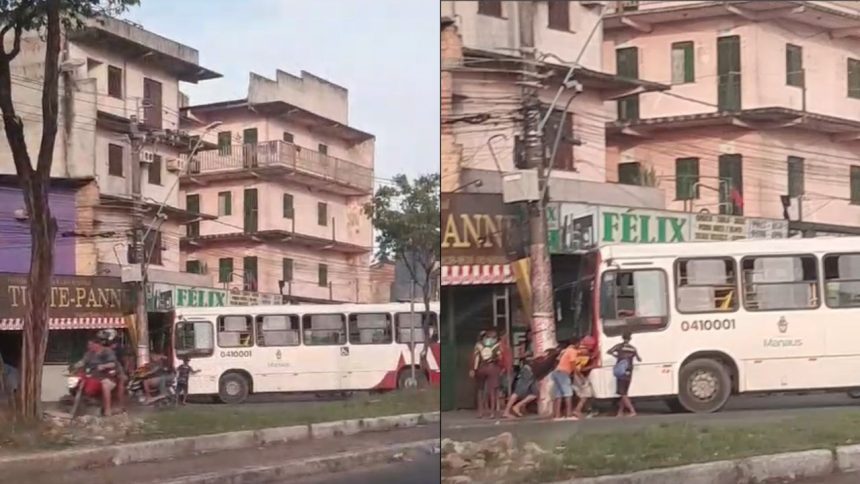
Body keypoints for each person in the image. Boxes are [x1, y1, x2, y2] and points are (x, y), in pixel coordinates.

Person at [72, 338, 119, 416]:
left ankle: (108, 410)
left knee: (105, 384)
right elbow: (83, 362)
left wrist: (104, 366)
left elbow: (113, 364)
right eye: (88, 345)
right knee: (78, 380)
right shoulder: (89, 354)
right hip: (93, 376)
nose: (89, 346)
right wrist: (75, 366)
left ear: (97, 344)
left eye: (91, 344)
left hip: (107, 377)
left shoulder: (107, 352)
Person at [608, 331, 642, 417]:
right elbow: (639, 359)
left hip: (621, 372)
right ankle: (620, 412)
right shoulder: (633, 348)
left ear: (622, 338)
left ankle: (632, 411)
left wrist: (617, 356)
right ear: (630, 339)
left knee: (622, 393)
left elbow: (609, 351)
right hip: (629, 372)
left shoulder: (619, 346)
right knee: (624, 393)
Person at [470, 329, 501, 419]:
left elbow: (475, 358)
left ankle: (480, 412)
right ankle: (492, 413)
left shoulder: (478, 345)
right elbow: (500, 357)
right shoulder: (497, 345)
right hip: (492, 367)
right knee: (493, 391)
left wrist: (473, 369)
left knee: (480, 390)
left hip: (481, 367)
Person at [550, 339, 579, 420]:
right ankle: (569, 415)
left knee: (558, 394)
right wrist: (577, 374)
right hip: (563, 373)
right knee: (568, 393)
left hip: (556, 372)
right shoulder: (573, 351)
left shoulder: (565, 350)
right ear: (577, 344)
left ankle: (557, 416)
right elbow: (573, 363)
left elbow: (558, 360)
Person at [571, 336, 598, 419]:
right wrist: (593, 366)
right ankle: (577, 410)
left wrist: (593, 356)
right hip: (580, 376)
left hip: (577, 375)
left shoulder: (580, 350)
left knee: (585, 394)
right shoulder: (584, 352)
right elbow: (580, 368)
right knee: (586, 394)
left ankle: (589, 410)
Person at [497, 329, 514, 414]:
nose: (506, 337)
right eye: (505, 336)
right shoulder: (500, 346)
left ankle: (504, 406)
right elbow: (500, 359)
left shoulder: (506, 346)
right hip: (504, 370)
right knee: (503, 388)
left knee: (506, 388)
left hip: (508, 369)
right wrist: (503, 368)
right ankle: (501, 406)